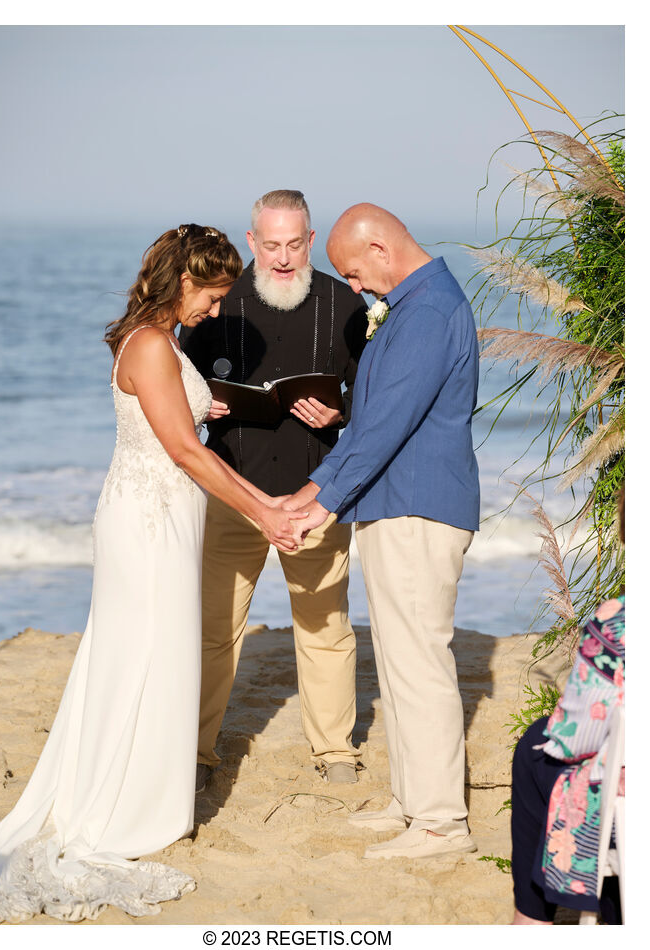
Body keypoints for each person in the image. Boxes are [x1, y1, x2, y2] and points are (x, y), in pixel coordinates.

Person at [0, 225, 305, 923]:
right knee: (145, 654)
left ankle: (142, 797)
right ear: (184, 280)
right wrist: (266, 510)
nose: (215, 313)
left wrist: (202, 402)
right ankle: (122, 813)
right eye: (213, 298)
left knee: (159, 653)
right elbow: (183, 453)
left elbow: (168, 423)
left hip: (163, 517)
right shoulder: (153, 344)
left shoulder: (159, 341)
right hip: (148, 522)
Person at [285, 203, 480, 859]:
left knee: (419, 663)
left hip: (419, 509)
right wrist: (318, 492)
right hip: (394, 506)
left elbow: (387, 427)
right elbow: (369, 423)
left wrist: (318, 504)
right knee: (397, 664)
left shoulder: (427, 312)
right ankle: (412, 800)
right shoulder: (416, 305)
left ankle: (440, 823)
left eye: (354, 273)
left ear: (379, 246)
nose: (357, 289)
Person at [181, 191, 368, 788]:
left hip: (315, 496)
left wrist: (337, 418)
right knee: (214, 628)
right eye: (271, 245)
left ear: (311, 242)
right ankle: (197, 752)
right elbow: (177, 388)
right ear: (253, 241)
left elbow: (371, 403)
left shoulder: (346, 305)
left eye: (294, 245)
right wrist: (202, 404)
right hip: (232, 490)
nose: (283, 258)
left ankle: (335, 751)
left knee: (325, 626)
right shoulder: (220, 306)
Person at [510, 486, 625, 925]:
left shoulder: (618, 622)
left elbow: (576, 735)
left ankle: (533, 918)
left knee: (537, 745)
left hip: (632, 806)